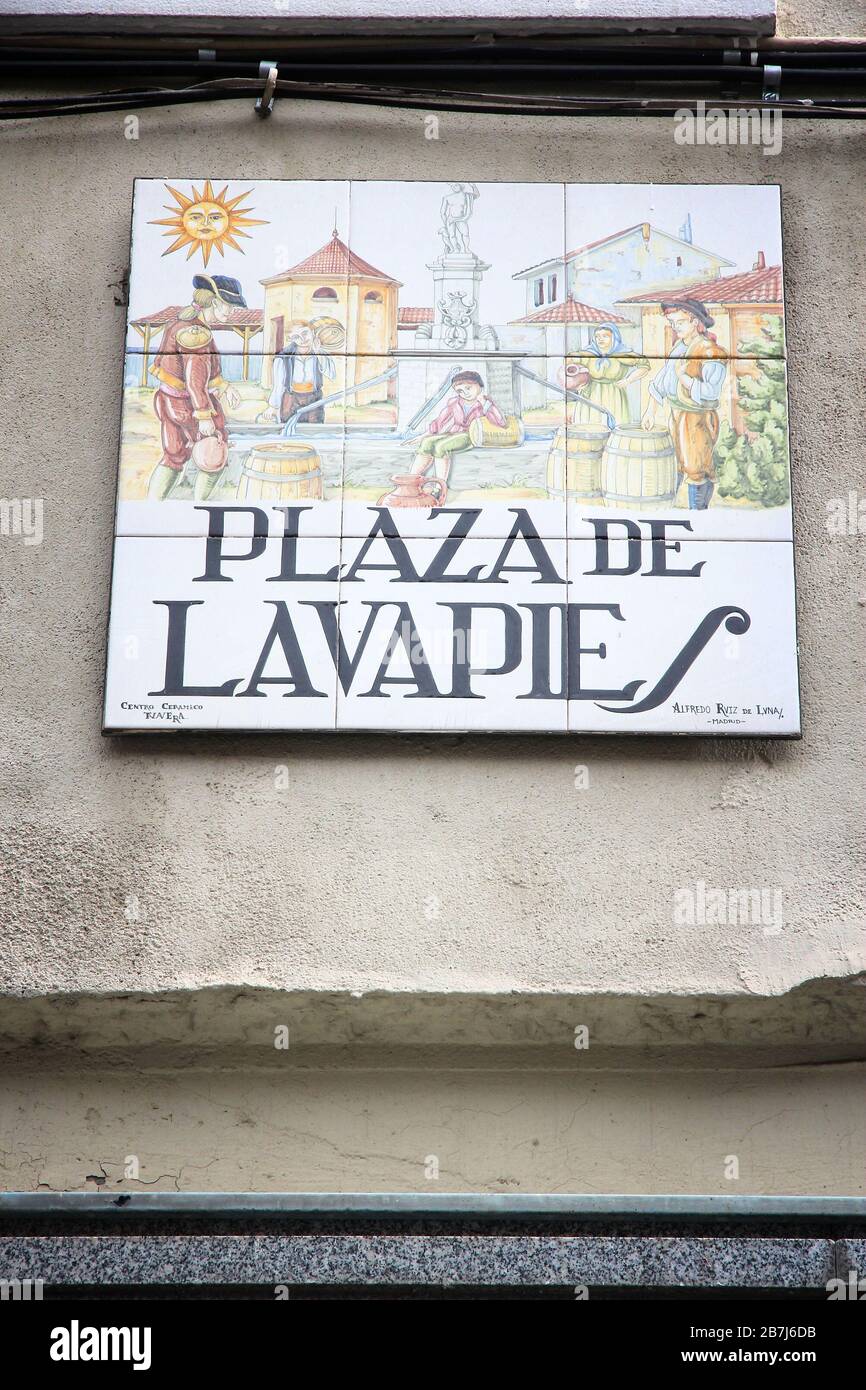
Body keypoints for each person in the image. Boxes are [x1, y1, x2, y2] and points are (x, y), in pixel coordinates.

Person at [147, 273, 244, 502]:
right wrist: (204, 416)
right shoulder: (198, 334)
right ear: (215, 302)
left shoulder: (179, 323)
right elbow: (195, 380)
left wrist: (224, 385)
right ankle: (200, 506)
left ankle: (152, 504)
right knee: (214, 457)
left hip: (167, 401)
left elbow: (186, 372)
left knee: (173, 457)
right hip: (188, 405)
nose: (231, 312)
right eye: (229, 306)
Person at [641, 298, 728, 510]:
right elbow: (662, 380)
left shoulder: (710, 352)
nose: (674, 327)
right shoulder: (679, 348)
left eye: (679, 322)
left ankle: (698, 512)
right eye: (672, 323)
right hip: (678, 415)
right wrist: (650, 411)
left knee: (696, 466)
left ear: (695, 322)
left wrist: (685, 380)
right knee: (679, 463)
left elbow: (711, 392)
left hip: (698, 419)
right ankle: (674, 509)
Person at [405, 370, 506, 504]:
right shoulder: (455, 402)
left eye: (468, 388)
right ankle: (410, 483)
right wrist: (424, 435)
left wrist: (485, 403)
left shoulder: (486, 404)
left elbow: (501, 423)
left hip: (471, 436)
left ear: (479, 386)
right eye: (460, 391)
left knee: (441, 447)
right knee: (427, 443)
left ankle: (439, 487)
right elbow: (440, 420)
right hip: (454, 433)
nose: (465, 393)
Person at [561, 324, 650, 427]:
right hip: (591, 394)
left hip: (614, 395)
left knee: (615, 429)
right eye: (597, 336)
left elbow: (645, 365)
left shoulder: (622, 354)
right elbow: (568, 361)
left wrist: (628, 380)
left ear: (614, 337)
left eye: (605, 336)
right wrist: (579, 379)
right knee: (588, 427)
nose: (600, 339)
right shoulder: (589, 354)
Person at [262, 321, 336, 425]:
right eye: (296, 337)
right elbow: (278, 385)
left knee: (315, 430)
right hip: (291, 398)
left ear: (312, 332)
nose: (302, 339)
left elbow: (332, 374)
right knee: (288, 428)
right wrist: (272, 407)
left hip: (314, 397)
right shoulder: (283, 357)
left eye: (305, 333)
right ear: (291, 339)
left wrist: (318, 351)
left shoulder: (320, 353)